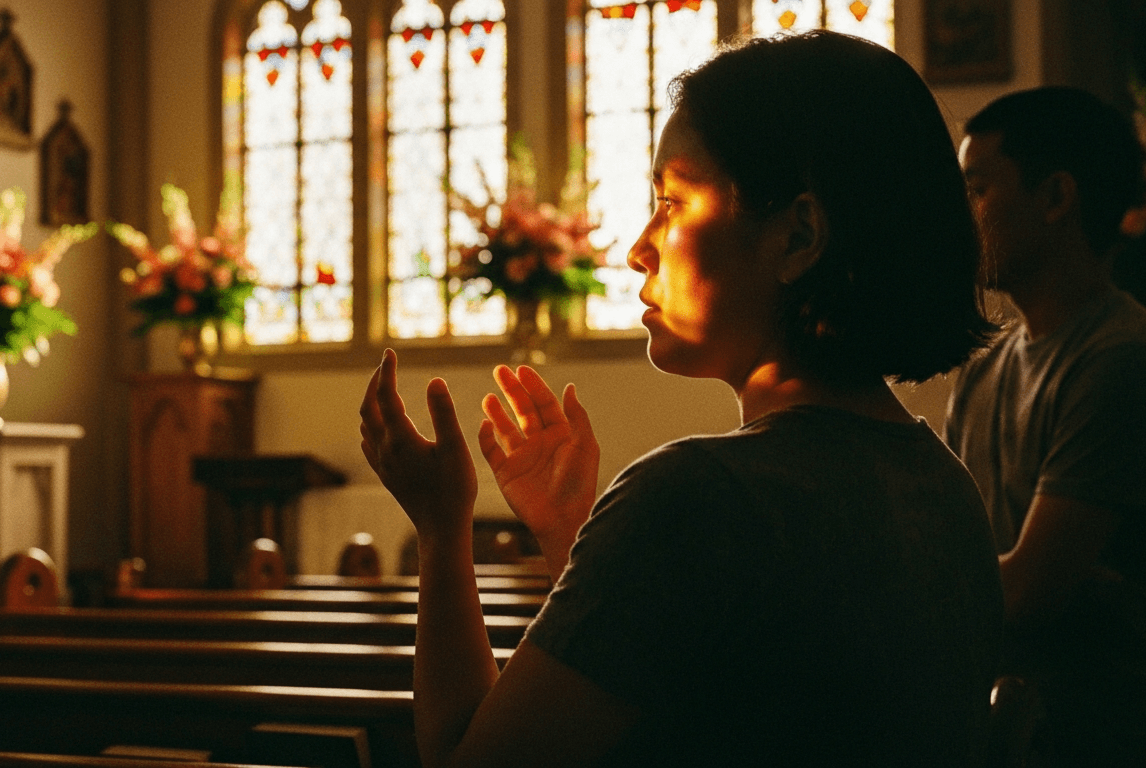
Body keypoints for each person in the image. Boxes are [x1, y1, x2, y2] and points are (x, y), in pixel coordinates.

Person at [360, 31, 1002, 767]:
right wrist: (573, 533)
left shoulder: (698, 495)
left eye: (672, 202)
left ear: (797, 236)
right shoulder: (946, 490)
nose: (639, 246)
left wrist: (443, 530)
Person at [945, 87, 1146, 767]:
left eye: (976, 190)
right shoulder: (984, 366)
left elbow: (1026, 593)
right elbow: (947, 541)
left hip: (1103, 741)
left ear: (1057, 198)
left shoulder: (1124, 359)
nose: (958, 216)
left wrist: (926, 575)